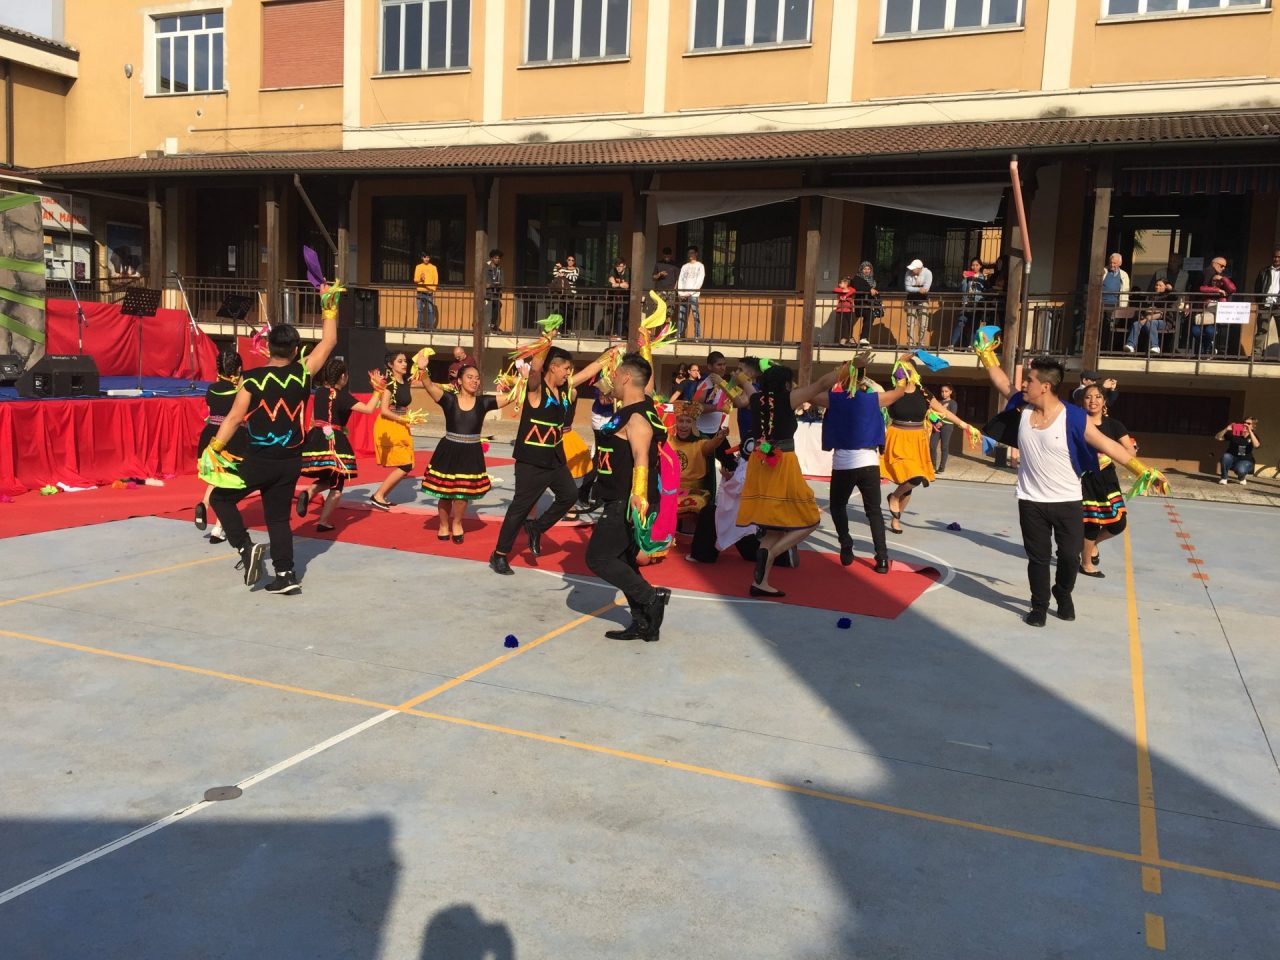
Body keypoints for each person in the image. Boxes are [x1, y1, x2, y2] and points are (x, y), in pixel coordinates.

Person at [979, 352, 1166, 627]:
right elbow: (1002, 383)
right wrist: (986, 354)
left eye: (1029, 380)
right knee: (1038, 558)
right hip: (1030, 500)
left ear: (1045, 386)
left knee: (1069, 556)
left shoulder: (1073, 417)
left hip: (1067, 501)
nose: (1023, 385)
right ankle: (1039, 605)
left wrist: (1143, 470)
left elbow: (1108, 444)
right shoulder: (1023, 407)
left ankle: (1063, 593)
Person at [206, 289, 339, 595]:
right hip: (290, 461)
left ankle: (245, 547)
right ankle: (285, 575)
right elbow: (329, 341)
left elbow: (234, 418)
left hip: (258, 460)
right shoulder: (303, 373)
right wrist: (328, 307)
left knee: (220, 499)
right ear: (296, 349)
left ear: (267, 346)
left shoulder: (251, 379)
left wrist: (213, 449)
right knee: (278, 519)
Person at [489, 340, 621, 575]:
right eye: (566, 368)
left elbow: (588, 373)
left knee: (569, 495)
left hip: (555, 459)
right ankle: (499, 554)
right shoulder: (536, 389)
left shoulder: (565, 390)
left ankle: (537, 528)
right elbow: (535, 368)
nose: (569, 373)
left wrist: (609, 355)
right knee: (520, 508)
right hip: (531, 460)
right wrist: (546, 341)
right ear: (553, 367)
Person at [790, 352, 906, 572]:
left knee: (837, 506)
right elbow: (899, 392)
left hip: (843, 462)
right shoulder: (874, 399)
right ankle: (882, 558)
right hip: (869, 462)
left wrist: (840, 372)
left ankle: (845, 543)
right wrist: (902, 371)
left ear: (843, 379)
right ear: (864, 378)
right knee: (874, 511)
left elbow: (810, 392)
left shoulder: (833, 399)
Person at [585, 353, 672, 641]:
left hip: (626, 500)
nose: (612, 378)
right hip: (616, 495)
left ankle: (652, 597)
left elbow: (641, 456)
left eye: (616, 373)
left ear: (625, 377)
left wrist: (638, 496)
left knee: (598, 558)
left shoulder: (637, 417)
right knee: (624, 559)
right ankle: (644, 624)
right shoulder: (635, 408)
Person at [731, 361, 820, 598]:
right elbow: (821, 384)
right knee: (811, 520)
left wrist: (738, 377)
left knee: (772, 529)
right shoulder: (788, 399)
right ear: (786, 384)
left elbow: (745, 385)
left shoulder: (756, 398)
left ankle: (760, 582)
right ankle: (771, 553)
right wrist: (849, 369)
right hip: (783, 463)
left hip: (761, 462)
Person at [421, 362, 515, 541]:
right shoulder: (449, 399)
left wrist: (523, 380)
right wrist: (421, 369)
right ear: (459, 380)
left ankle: (457, 523)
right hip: (449, 449)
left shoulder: (484, 402)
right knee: (445, 494)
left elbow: (512, 397)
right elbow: (429, 386)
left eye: (477, 378)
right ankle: (443, 525)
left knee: (462, 494)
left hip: (471, 452)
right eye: (470, 377)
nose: (474, 381)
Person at [882, 366, 974, 535]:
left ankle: (895, 514)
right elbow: (875, 404)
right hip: (898, 438)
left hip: (917, 440)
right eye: (900, 371)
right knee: (913, 477)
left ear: (914, 373)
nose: (903, 373)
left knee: (912, 480)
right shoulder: (895, 392)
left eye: (906, 370)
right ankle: (894, 498)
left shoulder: (924, 393)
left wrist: (965, 425)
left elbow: (943, 411)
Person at [297, 357, 381, 532]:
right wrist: (378, 390)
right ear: (342, 376)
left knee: (327, 477)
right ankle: (323, 521)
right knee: (337, 484)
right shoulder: (343, 396)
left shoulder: (319, 392)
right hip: (334, 441)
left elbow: (313, 419)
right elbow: (368, 409)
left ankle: (309, 492)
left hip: (317, 437)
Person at [1077, 384, 1136, 578]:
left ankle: (1089, 545)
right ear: (1082, 402)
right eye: (1088, 397)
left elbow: (1130, 451)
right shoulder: (1077, 423)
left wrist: (1110, 454)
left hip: (1107, 479)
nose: (1093, 401)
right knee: (1091, 523)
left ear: (1104, 402)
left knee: (1118, 523)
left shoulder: (1114, 425)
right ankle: (1086, 564)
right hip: (1085, 479)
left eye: (1097, 397)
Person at [193, 351, 246, 545]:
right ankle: (218, 529)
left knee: (216, 478)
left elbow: (211, 411)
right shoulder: (240, 391)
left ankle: (204, 504)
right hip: (231, 438)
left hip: (210, 435)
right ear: (239, 369)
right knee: (228, 482)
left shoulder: (211, 389)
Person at [368, 351, 421, 511]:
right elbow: (384, 410)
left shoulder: (406, 381)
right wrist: (403, 419)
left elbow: (425, 383)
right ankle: (378, 495)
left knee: (408, 464)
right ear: (391, 365)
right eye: (400, 361)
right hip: (390, 425)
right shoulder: (389, 383)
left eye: (405, 361)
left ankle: (380, 496)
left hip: (401, 425)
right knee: (406, 465)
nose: (404, 364)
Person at [670, 401, 728, 517]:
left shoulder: (701, 442)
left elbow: (709, 446)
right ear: (676, 422)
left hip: (695, 491)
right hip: (671, 489)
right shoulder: (668, 441)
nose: (684, 425)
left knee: (696, 503)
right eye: (681, 421)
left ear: (694, 424)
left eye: (688, 421)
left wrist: (719, 438)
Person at [1194, 255, 1235, 356]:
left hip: (1216, 316)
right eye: (1221, 266)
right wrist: (1217, 290)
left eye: (1219, 282)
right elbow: (1200, 288)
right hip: (1203, 313)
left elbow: (1232, 289)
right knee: (1196, 331)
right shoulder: (1208, 273)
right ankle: (1205, 347)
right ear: (1214, 264)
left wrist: (1223, 278)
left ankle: (1207, 349)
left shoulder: (1223, 280)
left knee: (1209, 330)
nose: (1223, 268)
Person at [1124, 277, 1177, 354]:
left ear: (1165, 287)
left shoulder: (1168, 296)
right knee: (1136, 324)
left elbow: (1175, 297)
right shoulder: (1151, 296)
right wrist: (1152, 311)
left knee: (1151, 323)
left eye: (1160, 285)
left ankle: (1155, 346)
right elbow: (1146, 309)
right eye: (1156, 285)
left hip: (1165, 321)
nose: (1157, 287)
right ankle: (1130, 345)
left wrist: (1171, 289)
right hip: (1148, 319)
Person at [951, 259, 987, 348]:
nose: (974, 267)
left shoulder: (983, 277)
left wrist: (985, 279)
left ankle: (971, 346)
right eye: (973, 265)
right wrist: (964, 279)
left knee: (974, 325)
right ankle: (952, 345)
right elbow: (963, 290)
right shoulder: (968, 276)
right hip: (966, 303)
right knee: (960, 323)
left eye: (977, 265)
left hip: (977, 303)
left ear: (980, 266)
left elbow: (985, 290)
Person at [1253, 248, 1280, 358]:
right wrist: (1259, 302)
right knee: (1261, 330)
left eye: (1279, 257)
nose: (1276, 259)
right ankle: (1257, 354)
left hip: (1278, 305)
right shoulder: (1264, 271)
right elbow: (1257, 288)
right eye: (1274, 257)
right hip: (1265, 305)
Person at [1215, 417, 1260, 485]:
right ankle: (1224, 478)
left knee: (1241, 470)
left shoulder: (1253, 436)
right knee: (1225, 456)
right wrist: (1226, 429)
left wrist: (1250, 431)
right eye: (1244, 423)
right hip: (1232, 458)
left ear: (1253, 426)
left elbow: (1256, 445)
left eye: (1248, 423)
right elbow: (1218, 437)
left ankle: (1241, 477)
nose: (1245, 424)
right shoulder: (1235, 433)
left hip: (1245, 460)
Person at [677, 246, 705, 340]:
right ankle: (679, 335)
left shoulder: (700, 266)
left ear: (696, 253)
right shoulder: (684, 266)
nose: (690, 255)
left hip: (694, 295)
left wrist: (690, 292)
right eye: (689, 253)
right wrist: (680, 293)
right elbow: (680, 279)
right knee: (681, 315)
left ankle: (697, 335)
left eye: (692, 253)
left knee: (695, 315)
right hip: (683, 294)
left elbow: (699, 281)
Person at [930, 384, 958, 472]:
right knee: (932, 446)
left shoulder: (953, 403)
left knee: (944, 446)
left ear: (950, 392)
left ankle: (942, 466)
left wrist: (941, 422)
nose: (944, 393)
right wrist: (936, 422)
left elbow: (952, 416)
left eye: (946, 391)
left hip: (947, 427)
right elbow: (931, 413)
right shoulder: (938, 402)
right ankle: (933, 466)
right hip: (936, 426)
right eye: (942, 391)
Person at [904, 258, 932, 347]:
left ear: (919, 268)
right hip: (911, 300)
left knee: (923, 323)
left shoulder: (927, 273)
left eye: (914, 268)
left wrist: (915, 288)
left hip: (923, 300)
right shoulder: (908, 273)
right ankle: (910, 343)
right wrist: (919, 289)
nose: (912, 270)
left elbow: (926, 289)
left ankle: (921, 343)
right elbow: (907, 288)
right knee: (910, 323)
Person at [848, 261, 878, 346]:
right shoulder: (857, 278)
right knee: (869, 315)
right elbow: (857, 287)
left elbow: (876, 291)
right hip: (860, 303)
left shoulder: (872, 280)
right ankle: (861, 338)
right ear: (861, 269)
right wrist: (869, 289)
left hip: (870, 303)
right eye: (865, 269)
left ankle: (864, 338)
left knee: (870, 317)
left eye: (868, 269)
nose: (867, 271)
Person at [551, 255, 579, 331]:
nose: (571, 261)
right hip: (562, 294)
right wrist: (556, 267)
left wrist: (564, 274)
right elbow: (555, 274)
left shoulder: (576, 269)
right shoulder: (563, 269)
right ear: (567, 260)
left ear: (574, 262)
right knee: (561, 312)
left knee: (570, 313)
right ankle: (560, 330)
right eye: (569, 260)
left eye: (572, 260)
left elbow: (574, 278)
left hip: (571, 294)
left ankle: (570, 330)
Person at [606, 258, 630, 338]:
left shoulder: (627, 272)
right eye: (617, 266)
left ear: (624, 266)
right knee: (616, 315)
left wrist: (616, 284)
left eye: (620, 266)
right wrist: (620, 285)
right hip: (615, 298)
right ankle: (616, 333)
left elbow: (626, 285)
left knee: (622, 315)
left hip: (626, 298)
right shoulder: (613, 270)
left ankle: (620, 334)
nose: (618, 268)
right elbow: (610, 282)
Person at [414, 252, 438, 331]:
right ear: (422, 258)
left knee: (430, 310)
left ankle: (430, 328)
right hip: (420, 291)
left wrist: (433, 289)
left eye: (428, 257)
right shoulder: (418, 267)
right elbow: (415, 279)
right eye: (425, 257)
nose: (426, 259)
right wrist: (420, 279)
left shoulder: (433, 267)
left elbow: (436, 280)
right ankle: (420, 327)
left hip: (429, 292)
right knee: (420, 310)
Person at [651, 246, 678, 316]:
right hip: (659, 290)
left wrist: (674, 290)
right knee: (657, 310)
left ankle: (667, 323)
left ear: (671, 255)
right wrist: (659, 274)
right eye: (665, 255)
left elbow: (677, 279)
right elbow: (653, 278)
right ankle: (657, 323)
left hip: (670, 291)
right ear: (663, 255)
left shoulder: (674, 265)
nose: (667, 257)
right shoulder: (658, 264)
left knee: (669, 311)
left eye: (668, 255)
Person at [832, 277, 855, 345]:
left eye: (841, 283)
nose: (839, 284)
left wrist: (846, 296)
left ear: (846, 284)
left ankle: (850, 338)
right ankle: (844, 338)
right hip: (841, 310)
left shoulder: (850, 289)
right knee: (844, 325)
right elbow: (835, 289)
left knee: (850, 324)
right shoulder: (840, 289)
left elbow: (853, 290)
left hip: (849, 310)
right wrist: (843, 291)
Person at [485, 249, 503, 333]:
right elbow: (484, 282)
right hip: (487, 293)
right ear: (491, 258)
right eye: (496, 258)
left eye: (499, 258)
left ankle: (493, 326)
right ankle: (489, 326)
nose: (498, 259)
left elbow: (502, 282)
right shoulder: (486, 268)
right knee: (489, 307)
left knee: (498, 305)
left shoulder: (499, 269)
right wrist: (488, 285)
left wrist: (500, 287)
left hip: (496, 293)